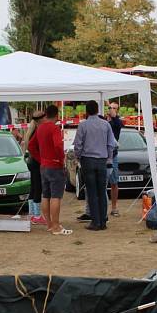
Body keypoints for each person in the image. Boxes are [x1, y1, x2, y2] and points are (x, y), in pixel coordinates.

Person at [74, 100, 116, 231]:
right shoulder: (106, 125)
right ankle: (103, 221)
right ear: (98, 110)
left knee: (91, 192)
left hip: (88, 160)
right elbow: (111, 144)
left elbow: (78, 144)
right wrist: (108, 157)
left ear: (86, 111)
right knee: (101, 191)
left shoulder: (83, 125)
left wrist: (78, 157)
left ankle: (95, 222)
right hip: (102, 161)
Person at [31, 104, 72, 235]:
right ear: (57, 115)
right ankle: (56, 226)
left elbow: (31, 146)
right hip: (54, 166)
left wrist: (40, 159)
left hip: (44, 166)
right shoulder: (54, 128)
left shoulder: (40, 128)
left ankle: (49, 224)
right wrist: (61, 159)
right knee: (56, 196)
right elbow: (59, 145)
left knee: (46, 195)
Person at [23, 110, 47, 225]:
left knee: (33, 188)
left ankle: (32, 213)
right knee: (38, 188)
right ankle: (37, 215)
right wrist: (41, 160)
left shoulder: (31, 131)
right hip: (36, 163)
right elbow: (33, 147)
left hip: (31, 162)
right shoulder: (38, 131)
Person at [106, 101, 125, 216]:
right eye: (110, 107)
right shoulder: (102, 120)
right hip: (101, 156)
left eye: (114, 108)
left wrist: (112, 116)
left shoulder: (117, 122)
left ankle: (114, 208)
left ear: (117, 110)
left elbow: (117, 125)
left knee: (114, 182)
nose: (111, 109)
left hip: (113, 156)